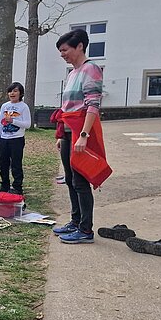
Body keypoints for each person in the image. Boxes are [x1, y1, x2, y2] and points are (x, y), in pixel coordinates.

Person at [52, 28, 105, 244]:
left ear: (79, 46)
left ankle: (85, 229)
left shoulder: (91, 69)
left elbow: (93, 105)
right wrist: (61, 135)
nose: (62, 54)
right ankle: (75, 221)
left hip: (80, 131)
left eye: (65, 50)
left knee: (81, 180)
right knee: (71, 180)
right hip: (67, 131)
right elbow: (67, 106)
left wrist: (83, 135)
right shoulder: (72, 73)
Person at [0, 82, 32, 195]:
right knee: (3, 163)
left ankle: (17, 187)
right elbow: (0, 123)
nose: (12, 93)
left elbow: (27, 124)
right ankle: (4, 185)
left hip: (17, 139)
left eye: (15, 91)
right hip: (4, 139)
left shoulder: (23, 107)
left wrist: (13, 121)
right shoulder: (5, 106)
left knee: (16, 163)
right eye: (10, 91)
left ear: (20, 93)